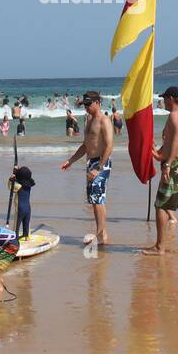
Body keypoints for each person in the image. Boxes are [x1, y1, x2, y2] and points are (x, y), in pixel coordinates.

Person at [144, 86, 178, 255]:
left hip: (175, 166)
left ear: (171, 98)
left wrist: (167, 164)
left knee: (161, 205)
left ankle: (160, 247)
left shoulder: (174, 116)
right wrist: (158, 155)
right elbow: (172, 142)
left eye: (165, 98)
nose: (163, 101)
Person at [61, 90, 113, 245]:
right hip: (91, 163)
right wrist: (70, 161)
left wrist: (99, 167)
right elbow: (85, 146)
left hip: (101, 162)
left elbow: (110, 145)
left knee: (97, 199)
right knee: (95, 200)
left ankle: (100, 235)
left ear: (97, 102)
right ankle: (102, 234)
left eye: (89, 104)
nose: (86, 107)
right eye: (85, 105)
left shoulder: (104, 120)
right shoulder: (89, 120)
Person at [11, 165, 36, 239]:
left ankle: (15, 237)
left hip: (20, 208)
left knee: (17, 224)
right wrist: (16, 172)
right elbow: (19, 178)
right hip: (28, 208)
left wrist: (12, 177)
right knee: (26, 222)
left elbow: (10, 186)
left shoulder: (18, 186)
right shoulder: (29, 186)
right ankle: (26, 236)